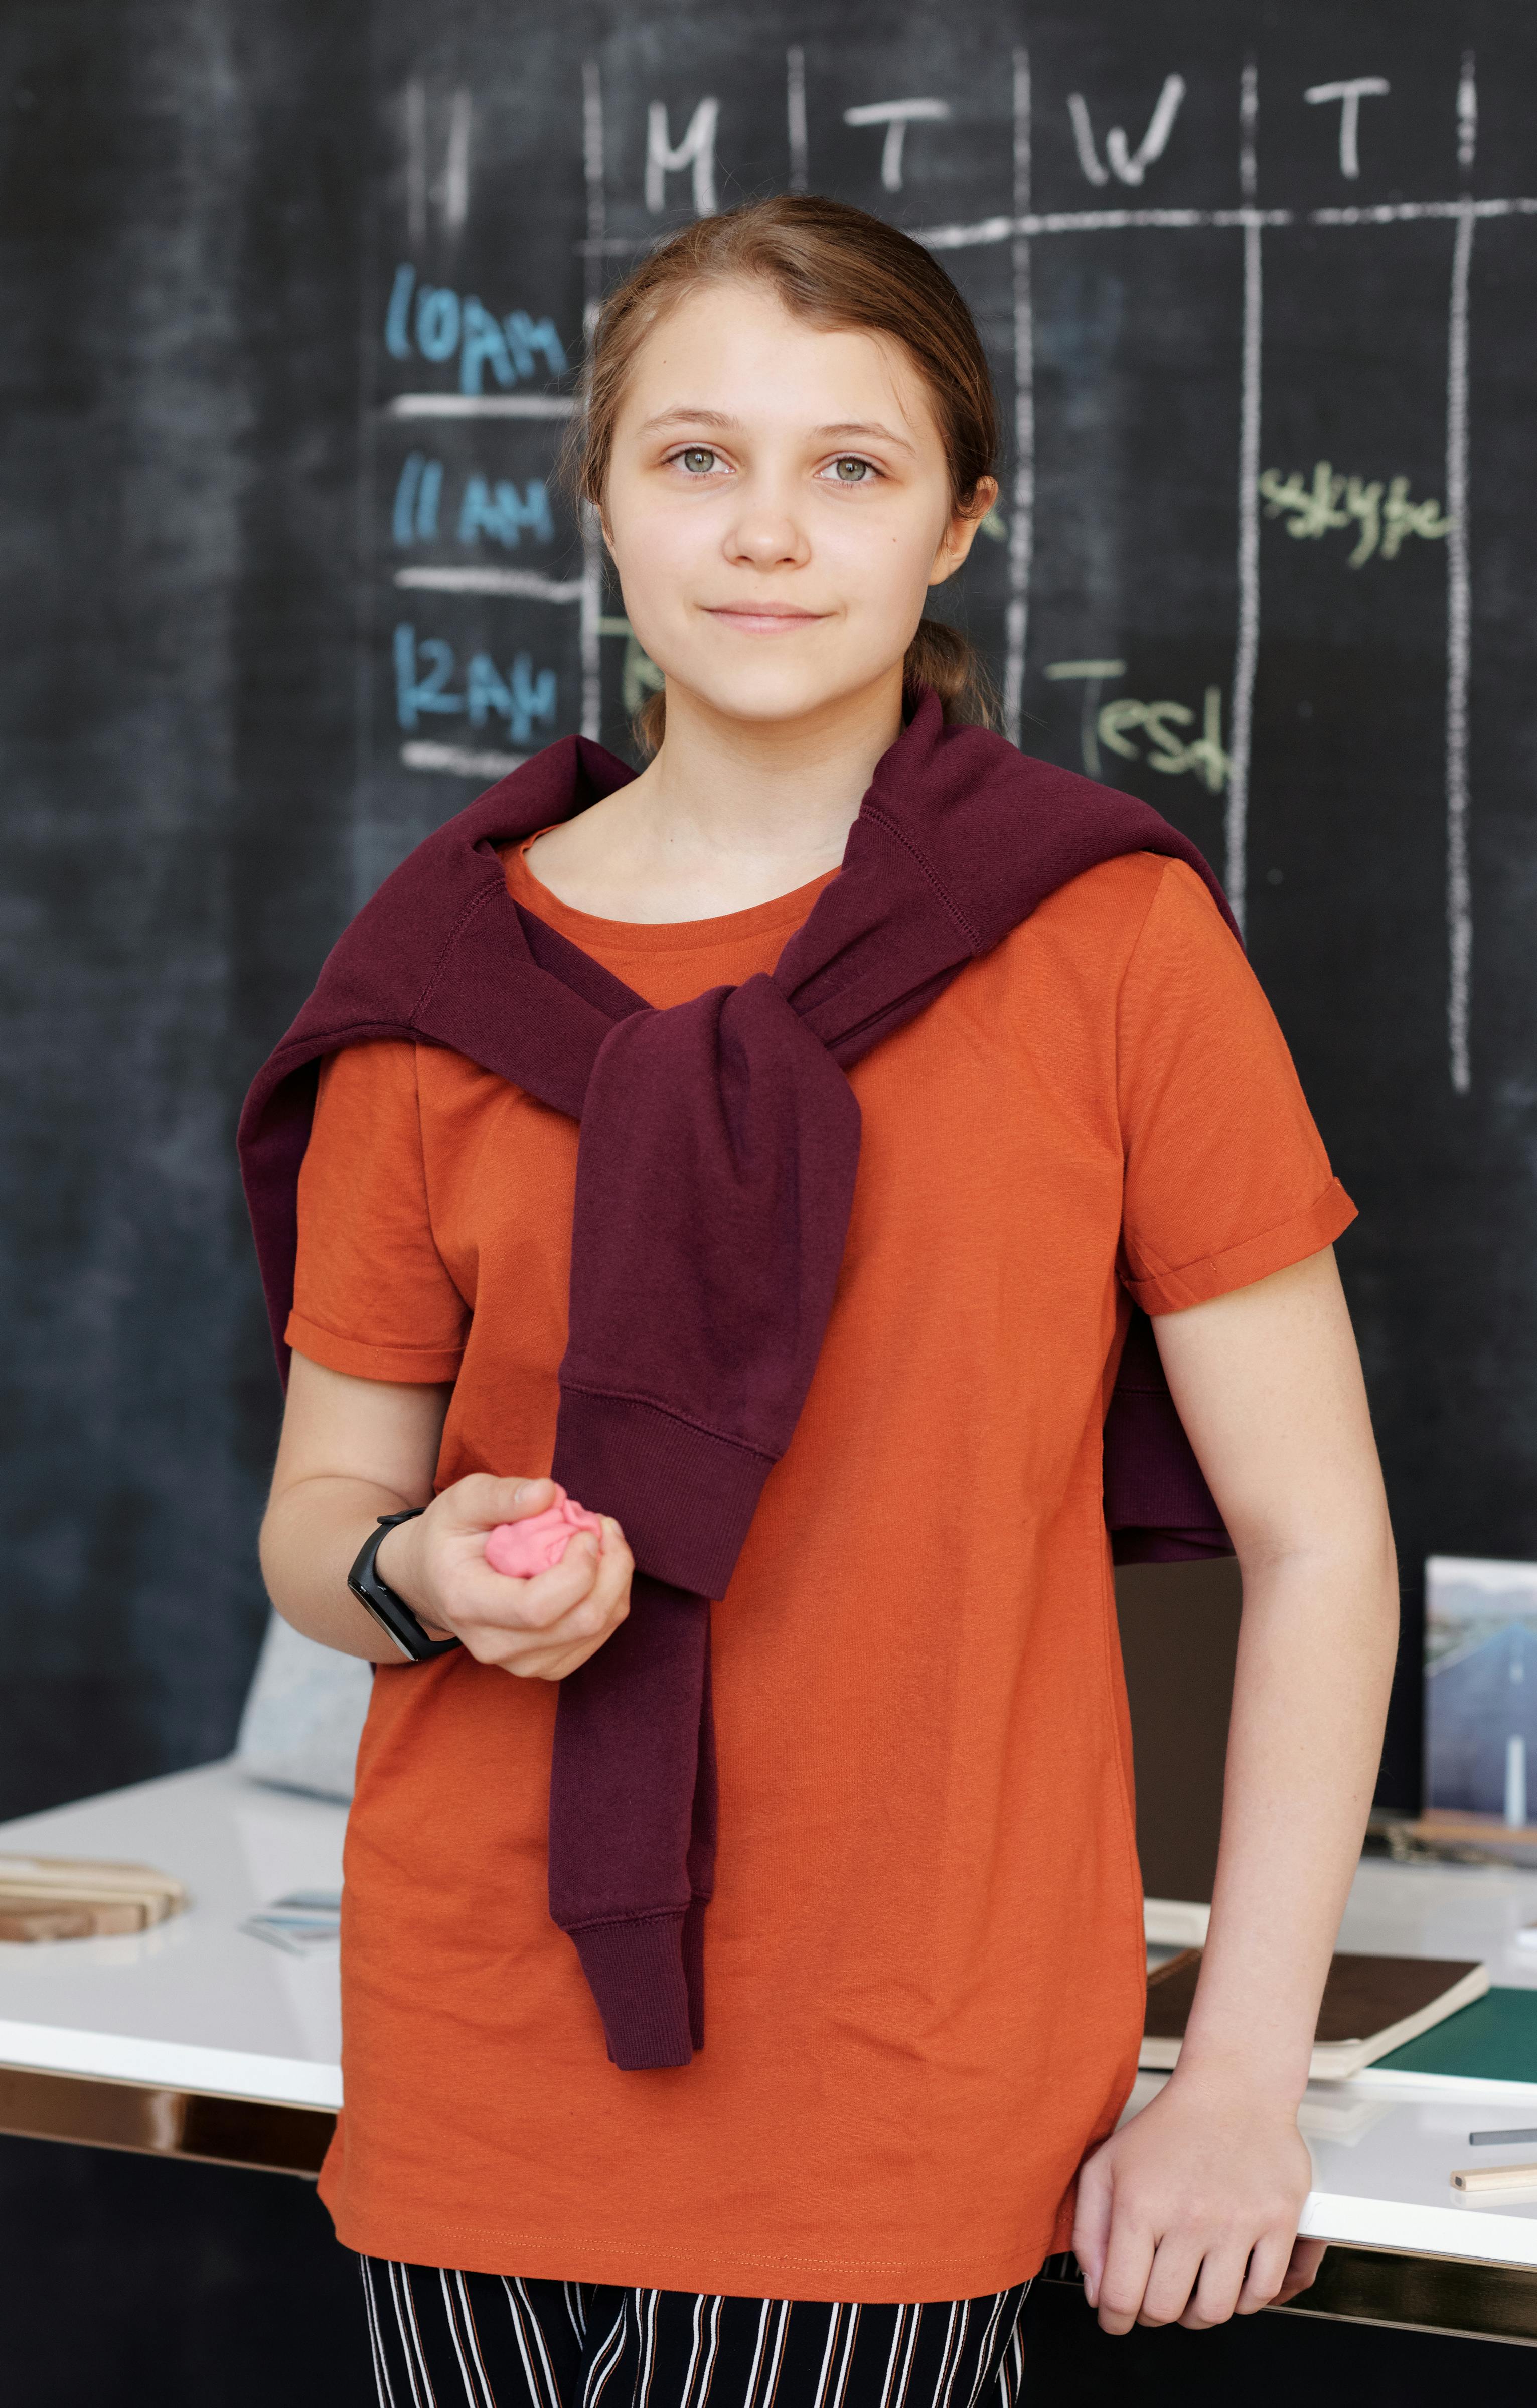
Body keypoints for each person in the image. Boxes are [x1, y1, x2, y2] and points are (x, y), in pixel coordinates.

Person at [248, 195, 1397, 2408]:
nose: (765, 534)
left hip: (917, 2081)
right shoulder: (429, 984)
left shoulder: (1109, 943)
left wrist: (1235, 2078)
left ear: (961, 518)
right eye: (694, 459)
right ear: (598, 499)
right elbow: (318, 1519)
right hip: (479, 2059)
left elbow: (1320, 1541)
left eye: (849, 467)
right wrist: (417, 1573)